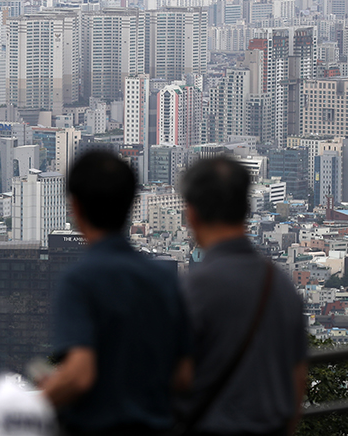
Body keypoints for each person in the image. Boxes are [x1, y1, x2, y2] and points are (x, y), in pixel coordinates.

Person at [41, 150, 193, 436]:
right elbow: (185, 373)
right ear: (130, 205)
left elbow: (79, 375)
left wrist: (32, 403)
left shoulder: (79, 280)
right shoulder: (165, 278)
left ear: (75, 207)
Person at [178, 156, 308, 436]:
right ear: (246, 209)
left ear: (192, 215)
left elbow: (179, 377)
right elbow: (298, 377)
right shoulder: (281, 284)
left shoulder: (195, 288)